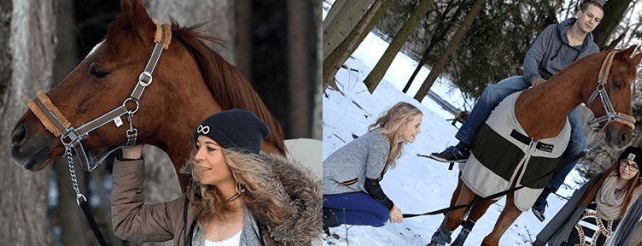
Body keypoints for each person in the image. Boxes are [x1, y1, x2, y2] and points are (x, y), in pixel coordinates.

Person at [430, 1, 604, 221]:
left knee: (579, 145)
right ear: (579, 13)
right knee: (491, 93)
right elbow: (532, 57)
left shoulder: (592, 51)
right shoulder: (552, 31)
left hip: (562, 97)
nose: (592, 22)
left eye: (597, 20)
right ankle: (463, 146)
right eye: (589, 16)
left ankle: (545, 192)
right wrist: (534, 78)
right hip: (534, 81)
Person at [111, 109, 322, 245]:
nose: (197, 157)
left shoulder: (281, 219)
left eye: (210, 149)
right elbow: (127, 222)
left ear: (237, 159)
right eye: (198, 147)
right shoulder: (189, 209)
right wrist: (131, 154)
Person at [322, 102, 422, 227]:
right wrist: (391, 207)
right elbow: (371, 184)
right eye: (416, 126)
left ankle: (325, 213)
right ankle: (318, 217)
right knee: (381, 215)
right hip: (325, 187)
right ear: (401, 124)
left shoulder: (385, 140)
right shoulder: (381, 142)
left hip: (337, 187)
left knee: (380, 215)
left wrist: (387, 206)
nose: (419, 131)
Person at [534, 146, 642, 246]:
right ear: (619, 162)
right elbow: (570, 208)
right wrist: (542, 239)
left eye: (633, 166)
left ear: (639, 171)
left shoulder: (637, 201)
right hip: (568, 241)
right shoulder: (600, 180)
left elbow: (627, 233)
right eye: (625, 162)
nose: (626, 168)